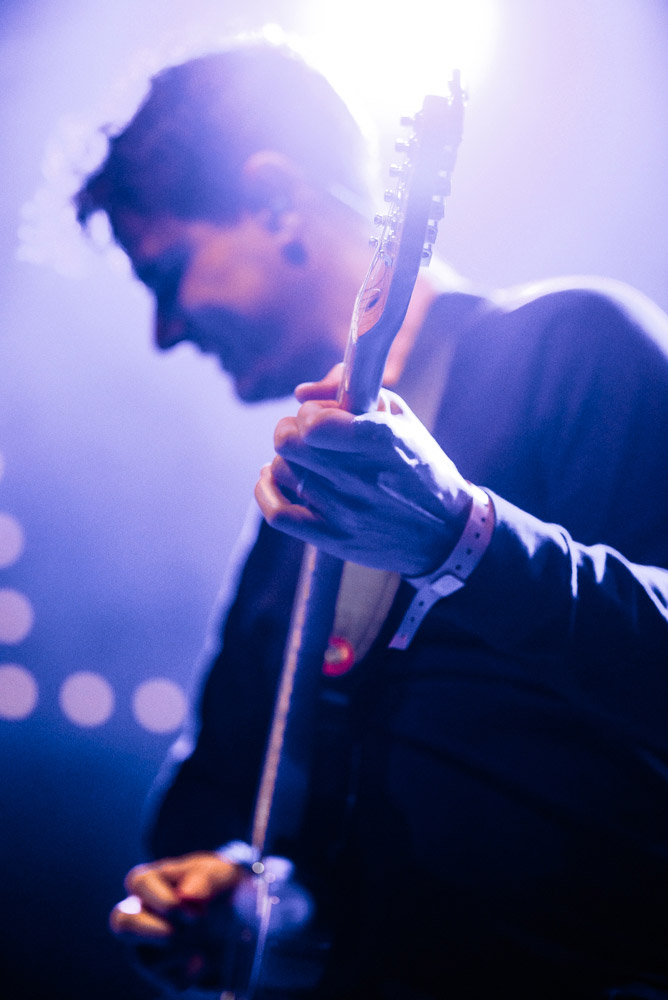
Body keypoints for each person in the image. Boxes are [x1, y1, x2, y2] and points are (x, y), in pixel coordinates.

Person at [76, 38, 668, 1000]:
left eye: (168, 273)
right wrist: (231, 898)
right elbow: (208, 808)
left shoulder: (573, 344)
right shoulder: (291, 519)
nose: (166, 331)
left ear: (277, 203)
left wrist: (463, 539)